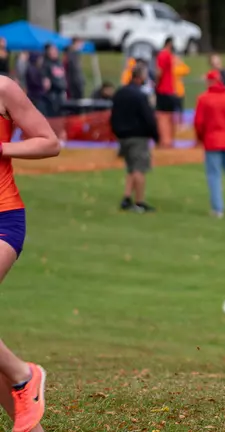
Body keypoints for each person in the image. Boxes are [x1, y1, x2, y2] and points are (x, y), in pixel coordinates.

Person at [0, 75, 61, 432]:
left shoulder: (3, 89)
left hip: (3, 218)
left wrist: (4, 149)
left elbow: (49, 142)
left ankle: (27, 374)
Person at [193, 70, 225, 218]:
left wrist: (200, 138)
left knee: (214, 176)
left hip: (211, 142)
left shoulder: (204, 99)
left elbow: (199, 123)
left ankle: (218, 209)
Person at [109, 65, 159, 213]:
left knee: (131, 168)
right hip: (138, 136)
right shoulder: (140, 95)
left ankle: (126, 197)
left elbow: (113, 114)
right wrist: (156, 135)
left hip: (122, 136)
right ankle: (139, 202)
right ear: (140, 77)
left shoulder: (120, 93)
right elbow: (148, 117)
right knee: (139, 169)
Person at [154, 38, 177, 148]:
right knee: (170, 116)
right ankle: (170, 140)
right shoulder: (170, 56)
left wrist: (155, 84)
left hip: (163, 89)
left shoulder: (162, 55)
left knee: (162, 116)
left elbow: (159, 72)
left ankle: (164, 141)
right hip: (170, 89)